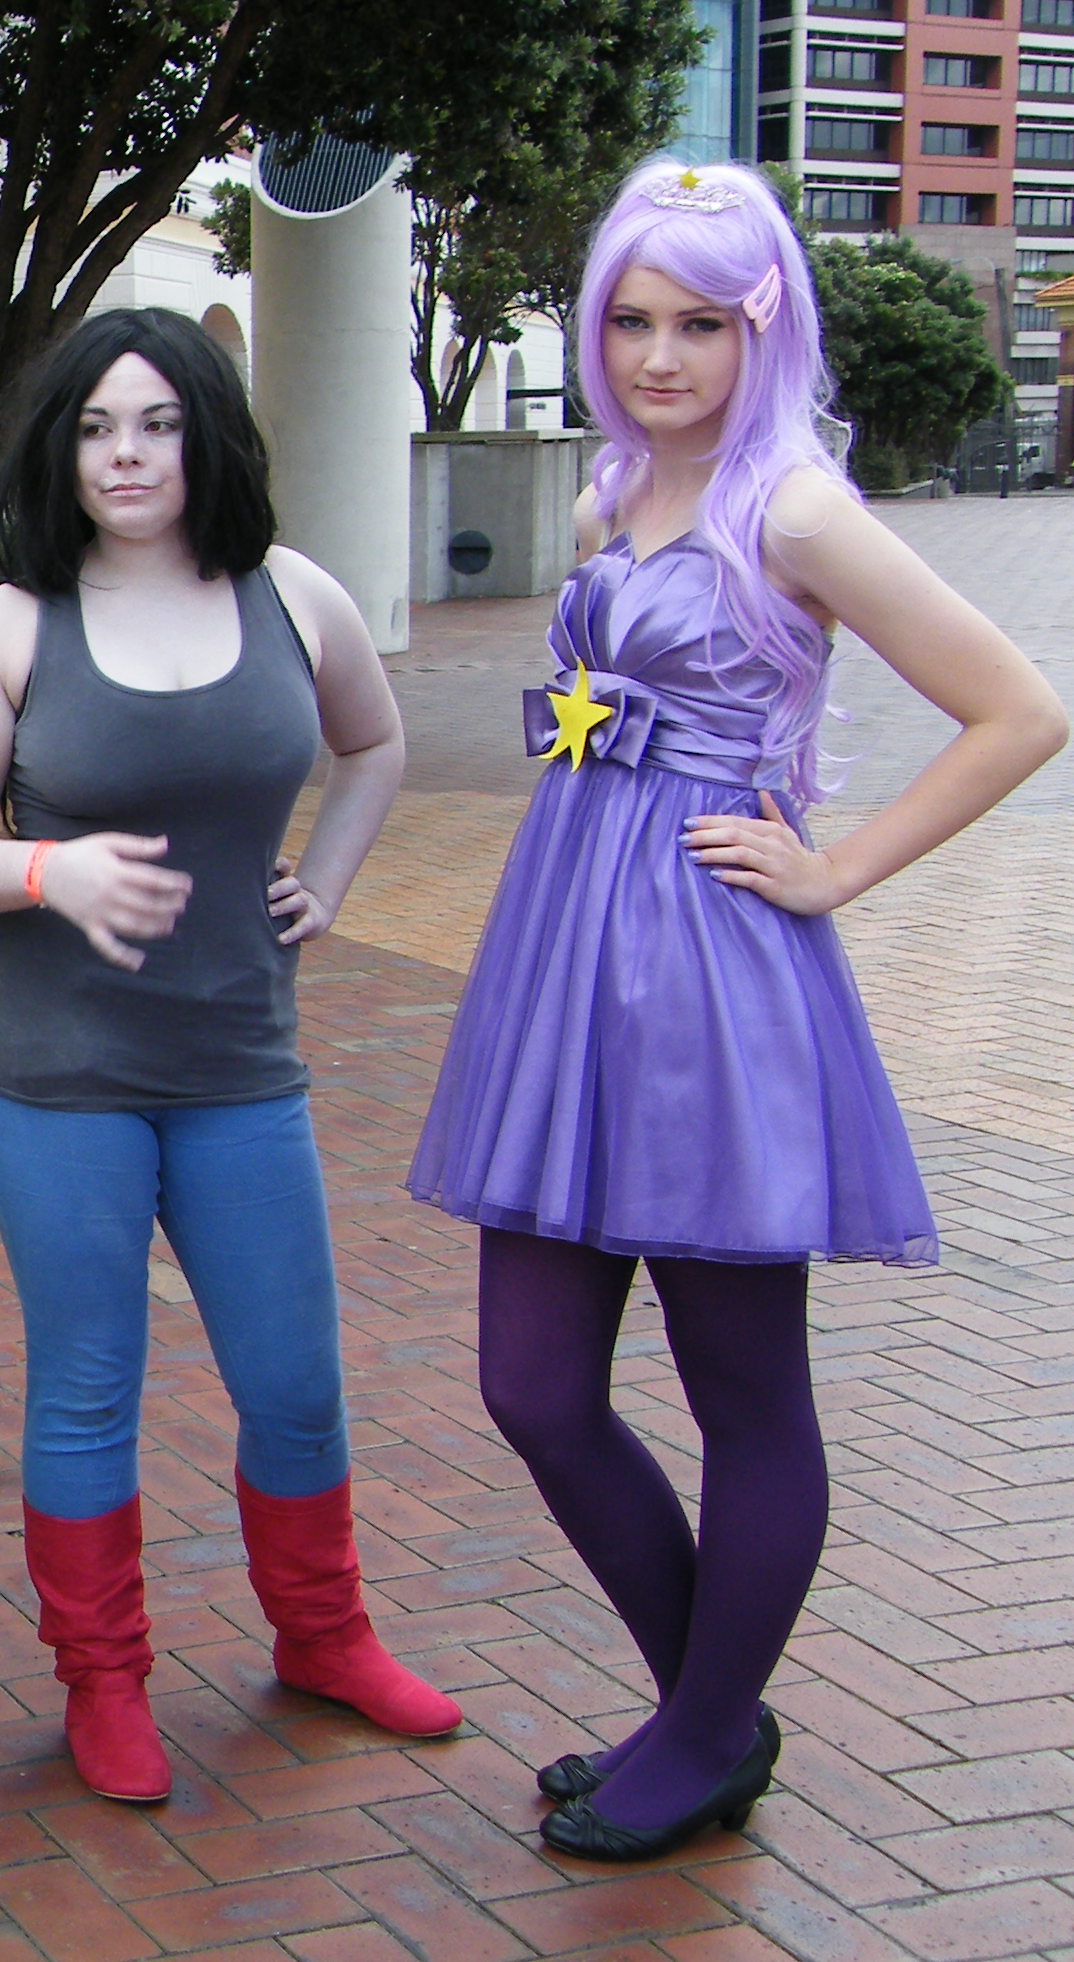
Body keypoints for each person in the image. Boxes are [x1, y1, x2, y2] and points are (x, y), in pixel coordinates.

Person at [411, 159, 1064, 1860]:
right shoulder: (607, 498)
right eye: (633, 319)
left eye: (701, 324)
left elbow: (1019, 710)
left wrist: (836, 871)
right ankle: (709, 1711)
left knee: (744, 1389)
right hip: (567, 957)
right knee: (534, 1385)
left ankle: (701, 1733)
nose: (660, 356)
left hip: (711, 971)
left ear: (760, 332)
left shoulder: (799, 511)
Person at [0, 306, 462, 1806]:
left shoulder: (293, 595)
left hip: (238, 1058)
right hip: (52, 1071)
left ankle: (325, 1638)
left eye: (156, 422)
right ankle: (104, 1682)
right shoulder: (14, 624)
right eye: (96, 427)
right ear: (60, 449)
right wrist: (52, 870)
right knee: (91, 1382)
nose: (127, 454)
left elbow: (376, 746)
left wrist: (327, 883)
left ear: (207, 433)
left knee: (293, 1379)